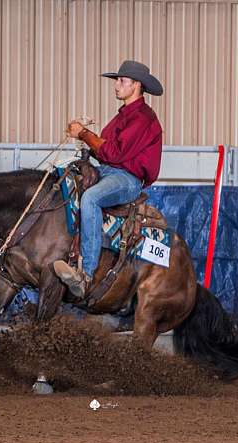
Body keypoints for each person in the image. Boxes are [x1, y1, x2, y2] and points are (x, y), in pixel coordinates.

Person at [53, 60, 164, 298]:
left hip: (128, 180)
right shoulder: (122, 117)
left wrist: (84, 133)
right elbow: (105, 151)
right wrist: (87, 144)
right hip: (108, 171)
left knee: (91, 198)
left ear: (136, 85)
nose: (116, 85)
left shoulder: (144, 119)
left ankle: (86, 274)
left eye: (122, 81)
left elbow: (113, 153)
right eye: (117, 80)